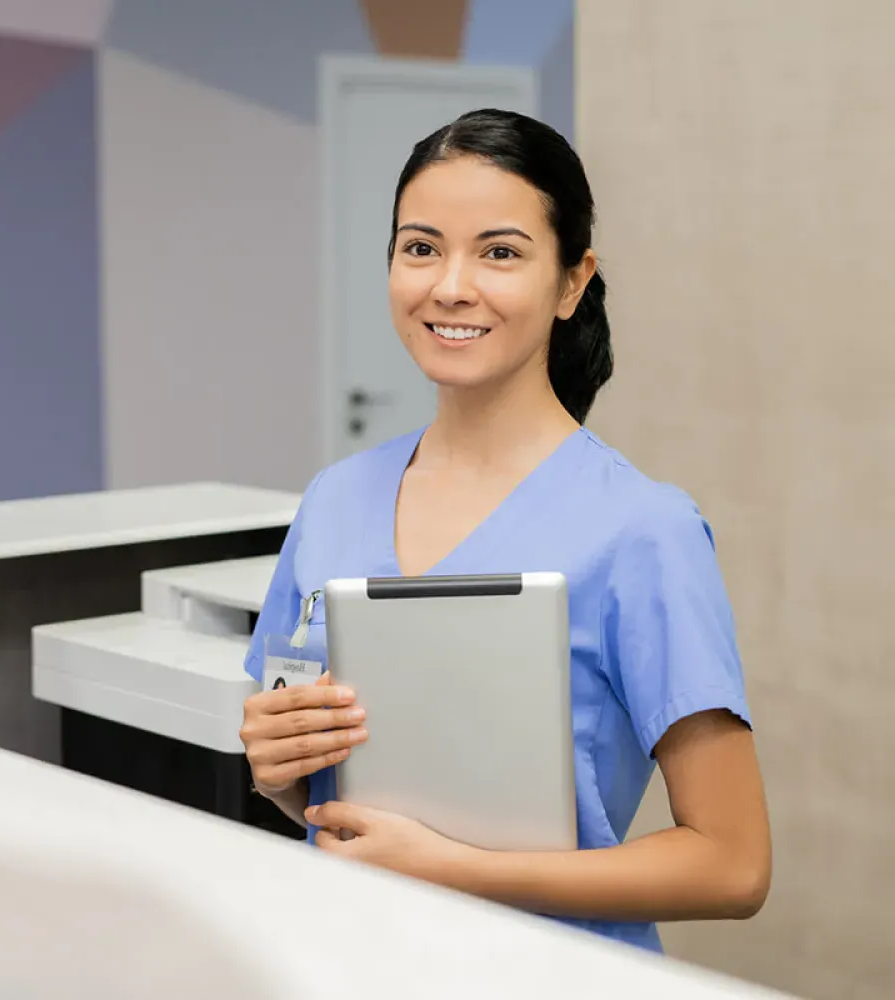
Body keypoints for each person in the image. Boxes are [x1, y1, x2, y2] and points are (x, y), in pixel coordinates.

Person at [238, 109, 771, 953]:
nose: (451, 285)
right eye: (420, 248)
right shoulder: (335, 499)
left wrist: (452, 866)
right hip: (345, 956)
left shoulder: (644, 530)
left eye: (500, 252)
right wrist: (278, 776)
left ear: (571, 281)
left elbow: (734, 866)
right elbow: (318, 786)